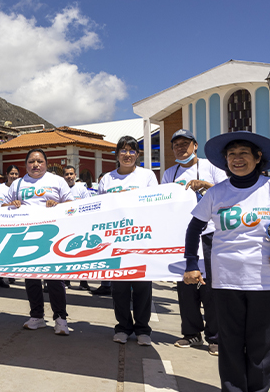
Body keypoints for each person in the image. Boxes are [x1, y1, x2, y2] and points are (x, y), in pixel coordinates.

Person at [183, 131, 270, 392]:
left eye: (243, 153)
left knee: (261, 344)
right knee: (230, 342)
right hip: (225, 280)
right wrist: (190, 264)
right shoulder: (216, 193)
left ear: (258, 158)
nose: (237, 159)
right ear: (225, 161)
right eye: (231, 154)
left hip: (267, 282)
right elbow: (193, 228)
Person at [161, 129, 227, 356]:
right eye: (176, 145)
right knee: (187, 286)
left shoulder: (213, 167)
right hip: (183, 236)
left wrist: (206, 185)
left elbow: (227, 194)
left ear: (195, 145)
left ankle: (215, 337)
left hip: (209, 234)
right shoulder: (170, 173)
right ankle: (191, 334)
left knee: (209, 287)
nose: (181, 148)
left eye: (185, 143)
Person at [4, 148, 74, 336]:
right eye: (31, 162)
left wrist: (58, 205)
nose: (35, 165)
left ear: (46, 163)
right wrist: (13, 205)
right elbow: (2, 207)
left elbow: (72, 205)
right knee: (31, 278)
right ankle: (37, 316)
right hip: (27, 237)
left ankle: (60, 319)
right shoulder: (18, 183)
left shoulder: (57, 181)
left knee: (54, 280)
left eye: (40, 161)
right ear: (26, 164)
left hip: (53, 236)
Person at [99, 135, 158, 346]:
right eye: (123, 150)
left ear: (137, 155)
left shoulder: (147, 176)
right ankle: (123, 327)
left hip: (140, 239)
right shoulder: (107, 179)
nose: (127, 154)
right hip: (115, 241)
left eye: (132, 151)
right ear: (116, 154)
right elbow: (101, 209)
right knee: (120, 288)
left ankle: (143, 329)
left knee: (142, 286)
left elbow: (154, 205)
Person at [62, 165, 91, 291]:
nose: (69, 176)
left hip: (80, 226)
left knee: (81, 255)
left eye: (71, 174)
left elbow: (89, 204)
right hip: (65, 227)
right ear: (63, 176)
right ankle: (66, 281)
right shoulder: (60, 189)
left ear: (75, 175)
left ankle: (83, 282)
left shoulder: (81, 189)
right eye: (67, 174)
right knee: (65, 254)